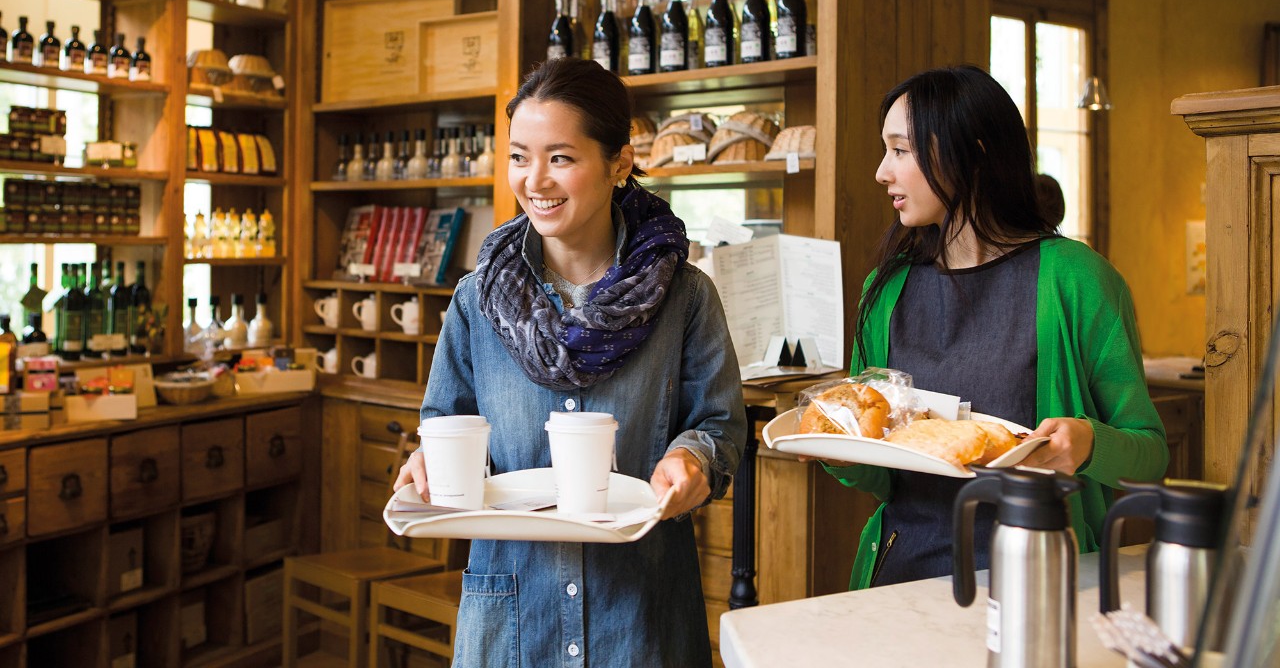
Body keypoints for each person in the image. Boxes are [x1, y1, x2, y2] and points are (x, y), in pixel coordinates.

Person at [394, 57, 746, 667]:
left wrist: (693, 460)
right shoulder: (478, 301)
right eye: (519, 157)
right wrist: (430, 461)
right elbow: (445, 422)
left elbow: (719, 427)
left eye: (560, 157)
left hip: (639, 617)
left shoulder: (684, 296)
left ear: (619, 162)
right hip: (512, 619)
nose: (535, 180)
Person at [822, 65, 1168, 589]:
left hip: (1041, 583)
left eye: (900, 150)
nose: (881, 172)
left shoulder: (1075, 278)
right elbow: (881, 474)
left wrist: (1089, 444)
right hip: (902, 579)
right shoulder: (885, 289)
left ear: (973, 152)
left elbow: (1149, 455)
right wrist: (835, 447)